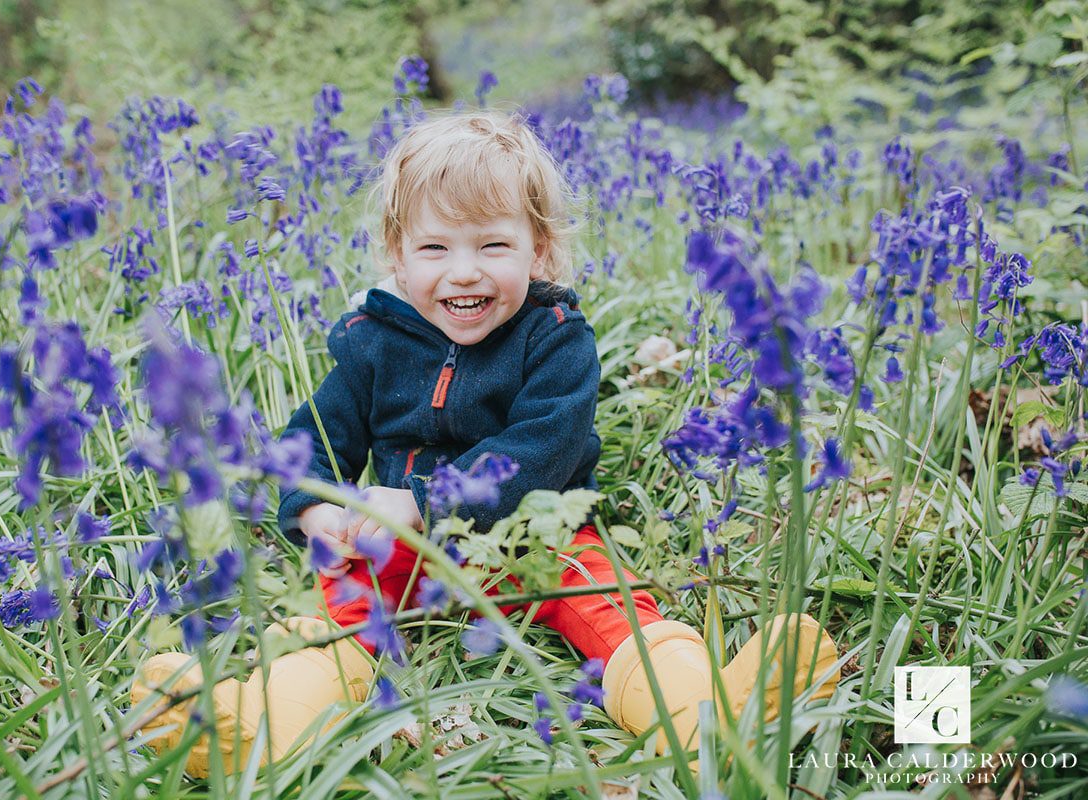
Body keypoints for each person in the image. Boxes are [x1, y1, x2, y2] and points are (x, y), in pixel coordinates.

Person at [129, 110, 840, 778]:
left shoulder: (556, 337)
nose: (463, 271)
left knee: (607, 608)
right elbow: (315, 436)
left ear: (541, 249)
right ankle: (269, 723)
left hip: (534, 541)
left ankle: (702, 712)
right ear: (398, 259)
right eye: (435, 248)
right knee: (344, 609)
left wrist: (418, 500)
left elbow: (547, 447)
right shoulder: (371, 343)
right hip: (401, 556)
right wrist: (315, 508)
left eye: (492, 245)